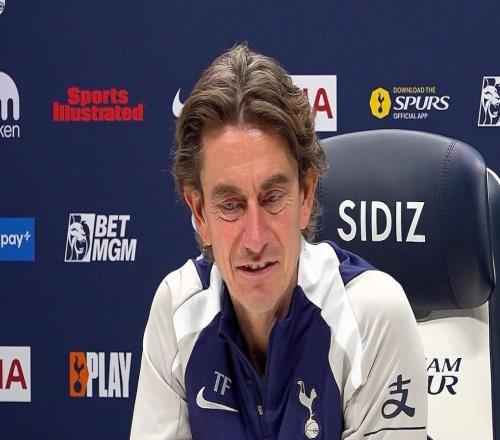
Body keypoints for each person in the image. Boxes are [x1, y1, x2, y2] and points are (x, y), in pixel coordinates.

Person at [130, 43, 427, 439]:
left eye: (272, 199)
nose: (255, 239)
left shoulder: (371, 315)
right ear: (199, 213)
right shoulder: (177, 310)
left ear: (305, 195)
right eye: (231, 205)